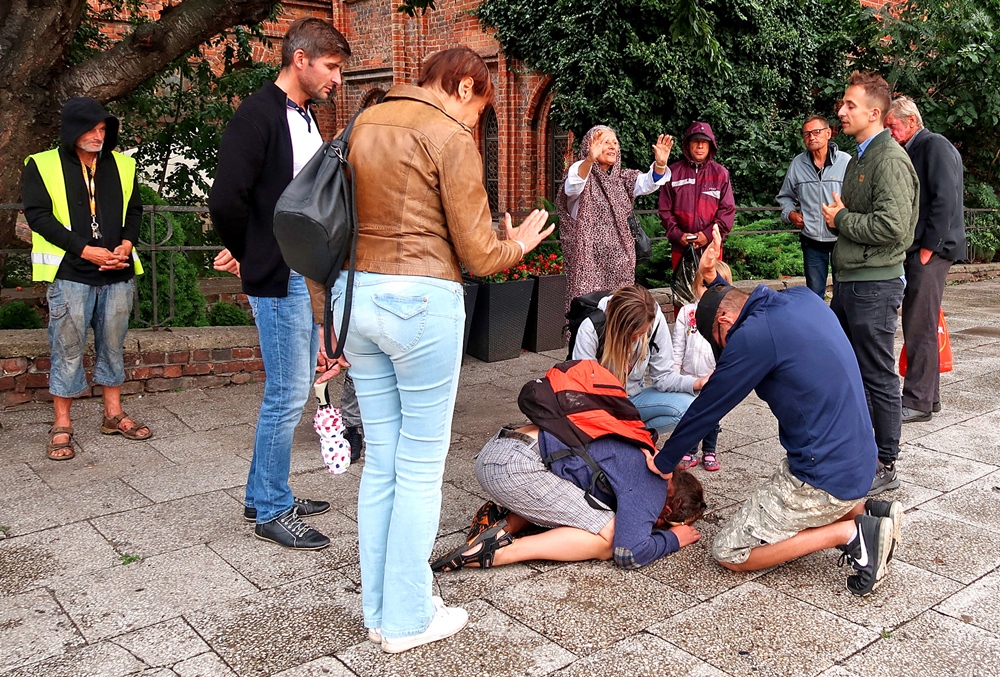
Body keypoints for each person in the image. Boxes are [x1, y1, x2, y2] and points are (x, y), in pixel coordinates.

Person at [325, 47, 554, 654]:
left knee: (382, 462)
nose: (476, 121)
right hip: (419, 301)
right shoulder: (448, 133)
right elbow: (478, 255)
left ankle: (381, 610)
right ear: (462, 86)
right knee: (421, 467)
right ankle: (406, 620)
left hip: (355, 296)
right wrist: (518, 245)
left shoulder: (364, 120)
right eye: (479, 109)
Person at [647, 226, 903, 596]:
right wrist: (712, 278)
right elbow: (732, 302)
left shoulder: (753, 336)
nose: (725, 352)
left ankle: (852, 533)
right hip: (860, 459)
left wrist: (663, 462)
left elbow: (709, 406)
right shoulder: (801, 298)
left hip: (821, 475)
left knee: (730, 552)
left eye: (719, 343)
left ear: (725, 323)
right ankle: (869, 514)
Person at [209, 18, 352, 550]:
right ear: (300, 59)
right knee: (288, 394)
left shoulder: (306, 116)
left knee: (290, 390)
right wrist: (252, 253)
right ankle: (272, 508)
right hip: (277, 276)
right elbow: (226, 198)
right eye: (331, 67)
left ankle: (260, 493)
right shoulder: (257, 114)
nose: (337, 79)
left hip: (300, 271)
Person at [22, 96, 151, 461]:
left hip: (117, 271)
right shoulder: (42, 164)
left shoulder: (123, 165)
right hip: (70, 272)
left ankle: (113, 414)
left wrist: (126, 245)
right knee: (67, 348)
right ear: (72, 130)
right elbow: (37, 216)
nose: (98, 136)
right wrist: (85, 250)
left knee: (113, 345)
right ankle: (62, 423)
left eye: (103, 130)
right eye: (91, 130)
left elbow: (134, 210)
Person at [822, 71, 919, 496]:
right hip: (851, 280)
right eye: (843, 104)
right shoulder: (860, 156)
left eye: (850, 105)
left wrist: (842, 218)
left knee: (877, 375)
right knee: (848, 370)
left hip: (874, 285)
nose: (841, 111)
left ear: (874, 113)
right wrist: (840, 219)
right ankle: (859, 451)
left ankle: (886, 461)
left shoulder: (889, 159)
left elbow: (894, 227)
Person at [431, 424, 703, 571]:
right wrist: (672, 539)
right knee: (609, 537)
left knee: (585, 509)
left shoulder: (644, 454)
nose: (655, 525)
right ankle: (497, 552)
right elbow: (628, 553)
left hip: (502, 449)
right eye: (664, 523)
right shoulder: (654, 487)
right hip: (514, 466)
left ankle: (504, 523)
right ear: (671, 507)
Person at [884, 96, 967, 423]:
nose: (890, 132)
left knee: (919, 324)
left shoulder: (934, 146)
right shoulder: (918, 147)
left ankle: (917, 401)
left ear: (911, 121)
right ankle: (928, 397)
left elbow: (946, 200)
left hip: (931, 251)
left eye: (893, 126)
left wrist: (929, 248)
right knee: (922, 323)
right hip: (924, 249)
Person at [556, 125, 674, 309]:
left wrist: (660, 164)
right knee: (589, 317)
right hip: (588, 268)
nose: (612, 146)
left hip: (621, 269)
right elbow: (574, 186)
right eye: (605, 142)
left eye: (615, 143)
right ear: (590, 145)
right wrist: (590, 159)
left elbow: (648, 182)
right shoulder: (580, 174)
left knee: (620, 316)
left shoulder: (622, 179)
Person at [572, 285, 707, 436]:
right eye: (630, 334)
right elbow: (584, 390)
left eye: (642, 333)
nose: (636, 339)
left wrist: (697, 383)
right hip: (600, 407)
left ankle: (635, 439)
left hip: (633, 399)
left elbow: (664, 376)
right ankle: (626, 438)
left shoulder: (654, 319)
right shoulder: (591, 328)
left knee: (691, 407)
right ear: (616, 325)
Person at [657, 121, 735, 313]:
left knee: (715, 295)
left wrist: (707, 235)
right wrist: (678, 235)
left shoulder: (721, 174)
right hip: (681, 247)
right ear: (688, 144)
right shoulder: (673, 172)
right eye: (695, 141)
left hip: (711, 247)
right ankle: (683, 331)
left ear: (710, 145)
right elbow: (665, 210)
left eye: (704, 142)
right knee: (683, 298)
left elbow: (727, 211)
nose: (700, 146)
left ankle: (711, 331)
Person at [776, 115, 851, 297]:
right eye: (807, 134)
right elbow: (785, 196)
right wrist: (790, 214)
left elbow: (857, 197)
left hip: (842, 238)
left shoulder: (846, 162)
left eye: (816, 132)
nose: (811, 137)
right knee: (814, 294)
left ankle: (838, 317)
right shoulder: (798, 164)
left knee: (844, 293)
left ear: (828, 133)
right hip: (811, 240)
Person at [672, 261, 732, 471]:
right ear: (695, 285)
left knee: (711, 415)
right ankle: (689, 450)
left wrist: (723, 372)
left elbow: (729, 348)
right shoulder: (687, 312)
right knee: (689, 413)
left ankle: (709, 450)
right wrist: (674, 372)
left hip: (713, 374)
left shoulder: (727, 316)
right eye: (705, 285)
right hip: (689, 375)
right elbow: (678, 345)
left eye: (717, 287)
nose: (709, 291)